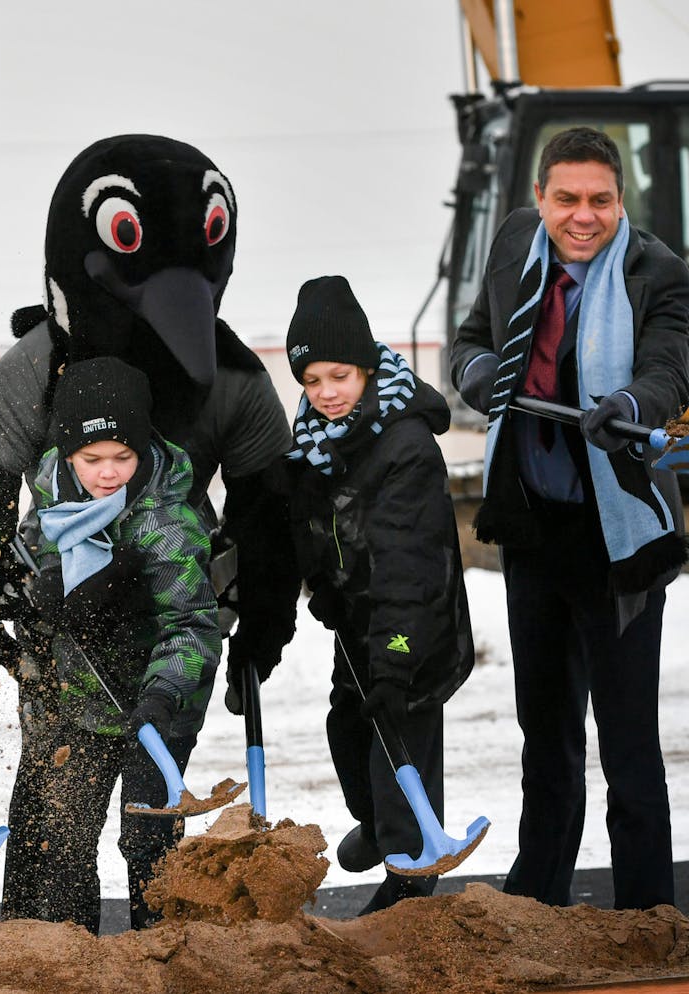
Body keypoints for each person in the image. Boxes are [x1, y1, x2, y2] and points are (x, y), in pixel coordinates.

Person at [0, 134, 298, 745]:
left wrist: (264, 616)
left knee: (155, 807)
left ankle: (156, 831)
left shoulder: (232, 379)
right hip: (65, 622)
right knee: (54, 814)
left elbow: (271, 506)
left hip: (173, 612)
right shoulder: (39, 369)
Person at [451, 126, 689, 911]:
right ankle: (536, 903)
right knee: (545, 736)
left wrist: (628, 404)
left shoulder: (663, 275)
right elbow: (472, 339)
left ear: (622, 200)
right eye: (567, 199)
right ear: (540, 199)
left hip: (616, 539)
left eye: (600, 201)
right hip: (534, 529)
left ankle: (650, 913)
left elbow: (668, 370)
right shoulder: (516, 243)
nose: (582, 217)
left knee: (626, 743)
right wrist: (478, 369)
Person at [3, 356, 222, 933]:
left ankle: (160, 948)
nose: (107, 474)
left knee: (148, 838)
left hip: (157, 707)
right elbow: (30, 560)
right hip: (81, 700)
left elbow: (194, 624)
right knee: (64, 837)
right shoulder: (51, 498)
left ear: (144, 449)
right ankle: (69, 953)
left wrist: (163, 695)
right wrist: (31, 592)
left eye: (123, 457)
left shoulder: (166, 521)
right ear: (68, 455)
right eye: (91, 459)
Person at [282, 276, 475, 915]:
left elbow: (409, 563)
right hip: (360, 617)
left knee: (400, 732)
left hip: (412, 621)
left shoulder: (405, 444)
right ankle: (378, 825)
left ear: (366, 368)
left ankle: (410, 881)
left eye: (338, 376)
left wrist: (395, 656)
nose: (326, 393)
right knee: (348, 726)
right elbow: (316, 521)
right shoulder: (315, 437)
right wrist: (323, 586)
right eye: (312, 381)